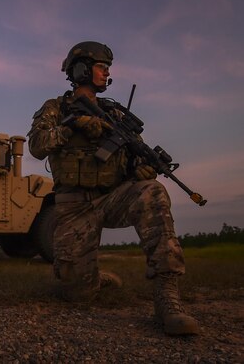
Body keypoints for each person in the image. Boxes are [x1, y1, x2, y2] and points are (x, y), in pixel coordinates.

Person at [27, 41, 200, 336]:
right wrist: (74, 126)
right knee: (77, 294)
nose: (106, 73)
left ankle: (167, 297)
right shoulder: (56, 108)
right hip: (73, 207)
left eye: (108, 68)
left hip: (111, 199)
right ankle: (91, 278)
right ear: (80, 70)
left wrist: (140, 171)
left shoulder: (115, 115)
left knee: (152, 191)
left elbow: (130, 161)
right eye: (100, 67)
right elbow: (37, 146)